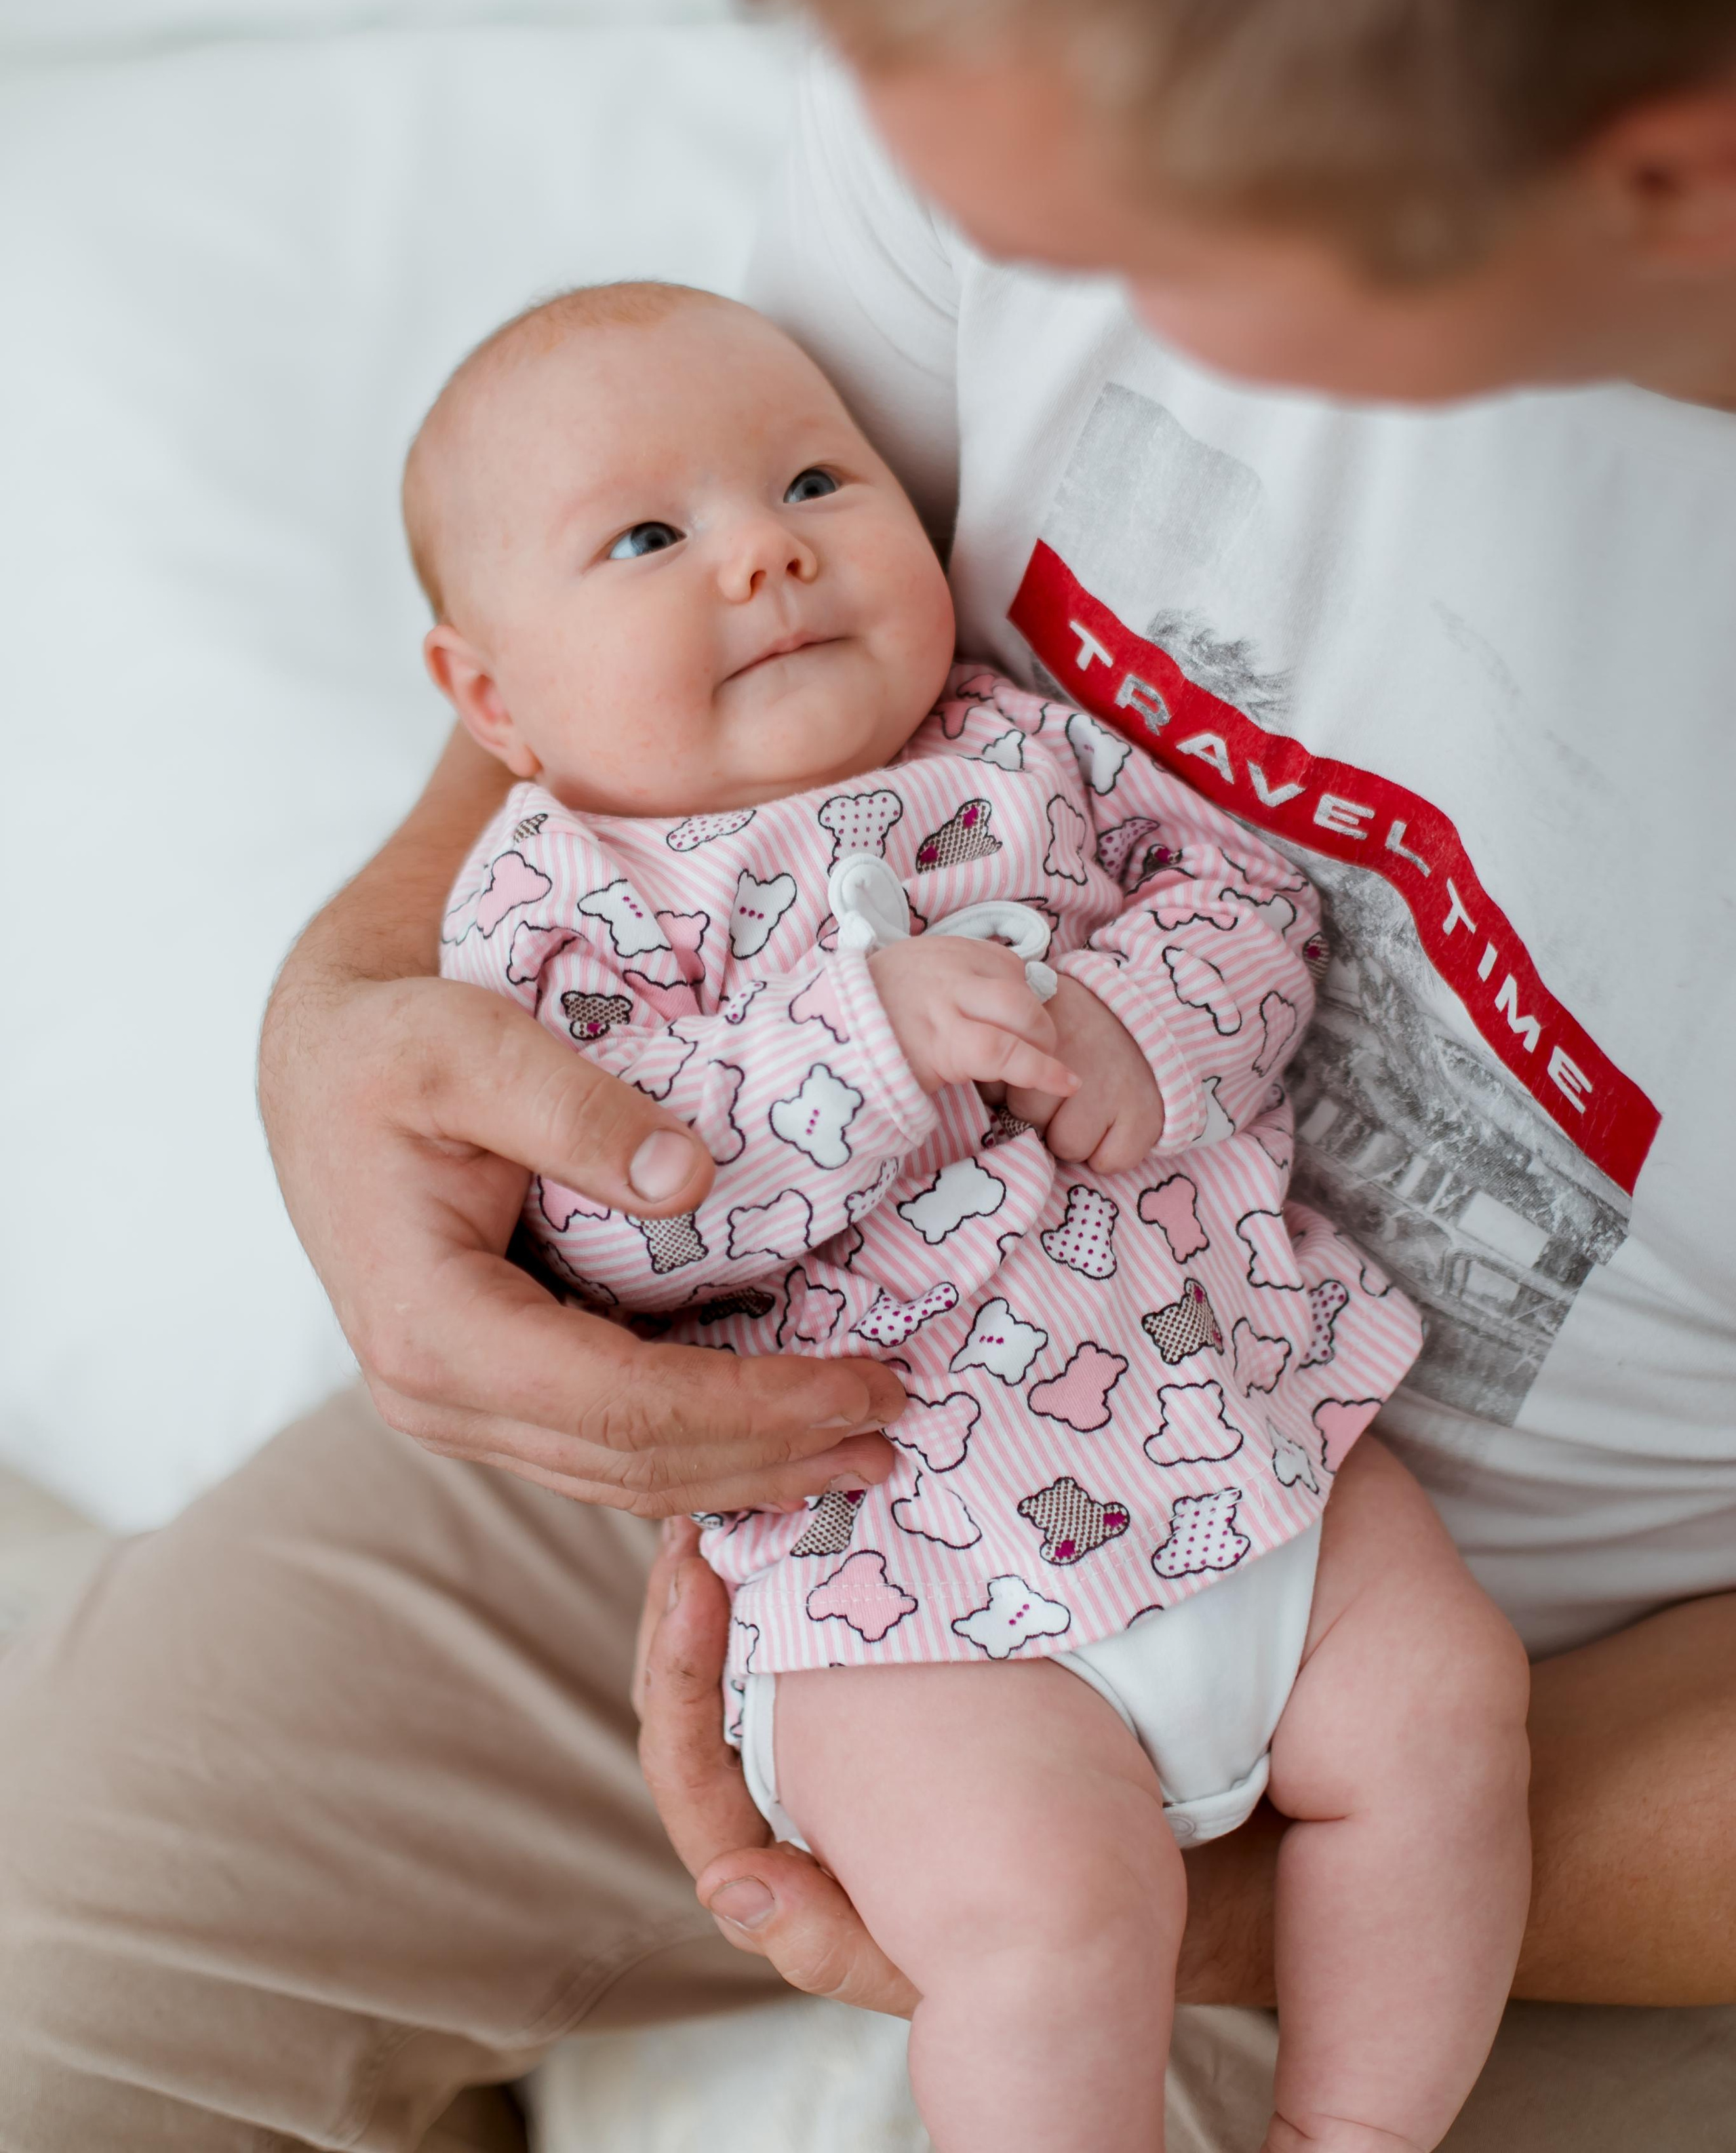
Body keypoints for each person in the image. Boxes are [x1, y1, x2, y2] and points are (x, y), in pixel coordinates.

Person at [0, 0, 1732, 2146]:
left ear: (1660, 184)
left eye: (1090, 245)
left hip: (1562, 1717)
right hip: (788, 1436)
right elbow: (640, 642)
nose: (980, 261)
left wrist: (1134, 1887)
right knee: (64, 1984)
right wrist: (354, 1006)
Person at [410, 275, 1499, 2153]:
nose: (765, 555)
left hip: (1249, 1428)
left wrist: (1138, 1027)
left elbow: (1253, 908)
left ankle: (1357, 2136)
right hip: (910, 1591)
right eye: (654, 538)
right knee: (1051, 1930)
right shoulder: (554, 917)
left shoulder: (1024, 747)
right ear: (493, 696)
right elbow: (619, 1227)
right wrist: (866, 1035)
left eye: (819, 486)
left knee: (1447, 1714)